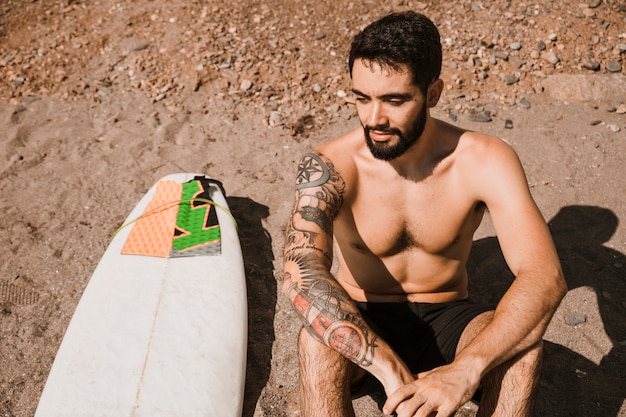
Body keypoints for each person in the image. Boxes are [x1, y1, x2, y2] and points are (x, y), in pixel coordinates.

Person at [282, 10, 567, 417]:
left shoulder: (483, 160)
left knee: (523, 355)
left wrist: (466, 371)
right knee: (315, 341)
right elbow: (301, 272)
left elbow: (545, 276)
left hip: (449, 314)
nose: (374, 119)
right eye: (362, 98)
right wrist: (387, 365)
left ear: (433, 94)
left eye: (394, 100)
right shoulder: (332, 166)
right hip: (363, 313)